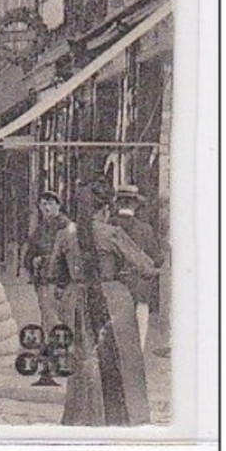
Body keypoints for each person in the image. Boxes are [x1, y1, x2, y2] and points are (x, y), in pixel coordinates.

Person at [51, 181, 159, 426]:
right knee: (122, 359)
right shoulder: (111, 233)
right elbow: (146, 267)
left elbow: (54, 274)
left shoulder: (65, 235)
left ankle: (83, 417)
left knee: (84, 361)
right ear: (105, 209)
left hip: (77, 300)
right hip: (113, 300)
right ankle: (122, 418)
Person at [110, 187, 163, 354]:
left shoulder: (107, 226)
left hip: (113, 289)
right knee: (138, 334)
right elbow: (157, 259)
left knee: (113, 334)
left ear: (117, 203)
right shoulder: (145, 229)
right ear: (135, 205)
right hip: (139, 289)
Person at [24, 190, 73, 331]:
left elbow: (70, 254)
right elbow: (30, 252)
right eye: (43, 204)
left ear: (58, 205)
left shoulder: (66, 226)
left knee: (59, 317)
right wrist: (33, 261)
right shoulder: (39, 229)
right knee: (47, 316)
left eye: (50, 204)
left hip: (61, 280)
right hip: (43, 279)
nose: (46, 208)